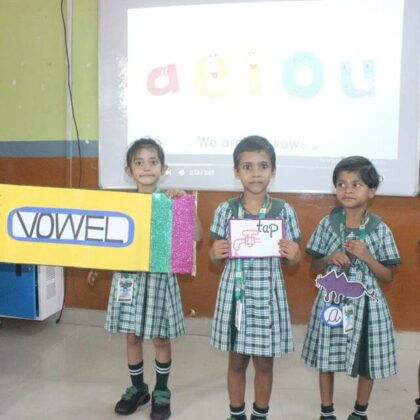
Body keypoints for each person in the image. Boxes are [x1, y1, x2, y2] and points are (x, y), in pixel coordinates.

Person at [88, 138, 202, 419]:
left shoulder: (171, 201)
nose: (146, 167)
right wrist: (97, 265)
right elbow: (109, 241)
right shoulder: (122, 206)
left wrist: (185, 206)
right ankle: (138, 388)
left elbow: (197, 236)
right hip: (128, 280)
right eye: (139, 162)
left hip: (160, 280)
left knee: (160, 338)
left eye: (153, 162)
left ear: (163, 168)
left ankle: (162, 391)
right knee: (132, 336)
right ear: (129, 171)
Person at [301, 156, 401, 420]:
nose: (347, 190)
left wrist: (368, 257)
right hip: (332, 301)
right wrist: (328, 258)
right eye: (341, 184)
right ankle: (327, 411)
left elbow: (388, 276)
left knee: (367, 357)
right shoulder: (328, 223)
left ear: (372, 190)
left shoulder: (380, 229)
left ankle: (360, 411)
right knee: (327, 354)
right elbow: (313, 266)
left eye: (356, 184)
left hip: (368, 305)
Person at [209, 135, 301, 420]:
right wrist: (214, 253)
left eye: (263, 166)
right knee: (236, 362)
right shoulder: (225, 210)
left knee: (264, 364)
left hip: (268, 298)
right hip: (235, 297)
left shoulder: (284, 210)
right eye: (247, 167)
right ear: (236, 172)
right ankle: (236, 414)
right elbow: (214, 258)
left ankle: (260, 414)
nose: (256, 173)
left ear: (273, 171)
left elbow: (294, 261)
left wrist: (294, 254)